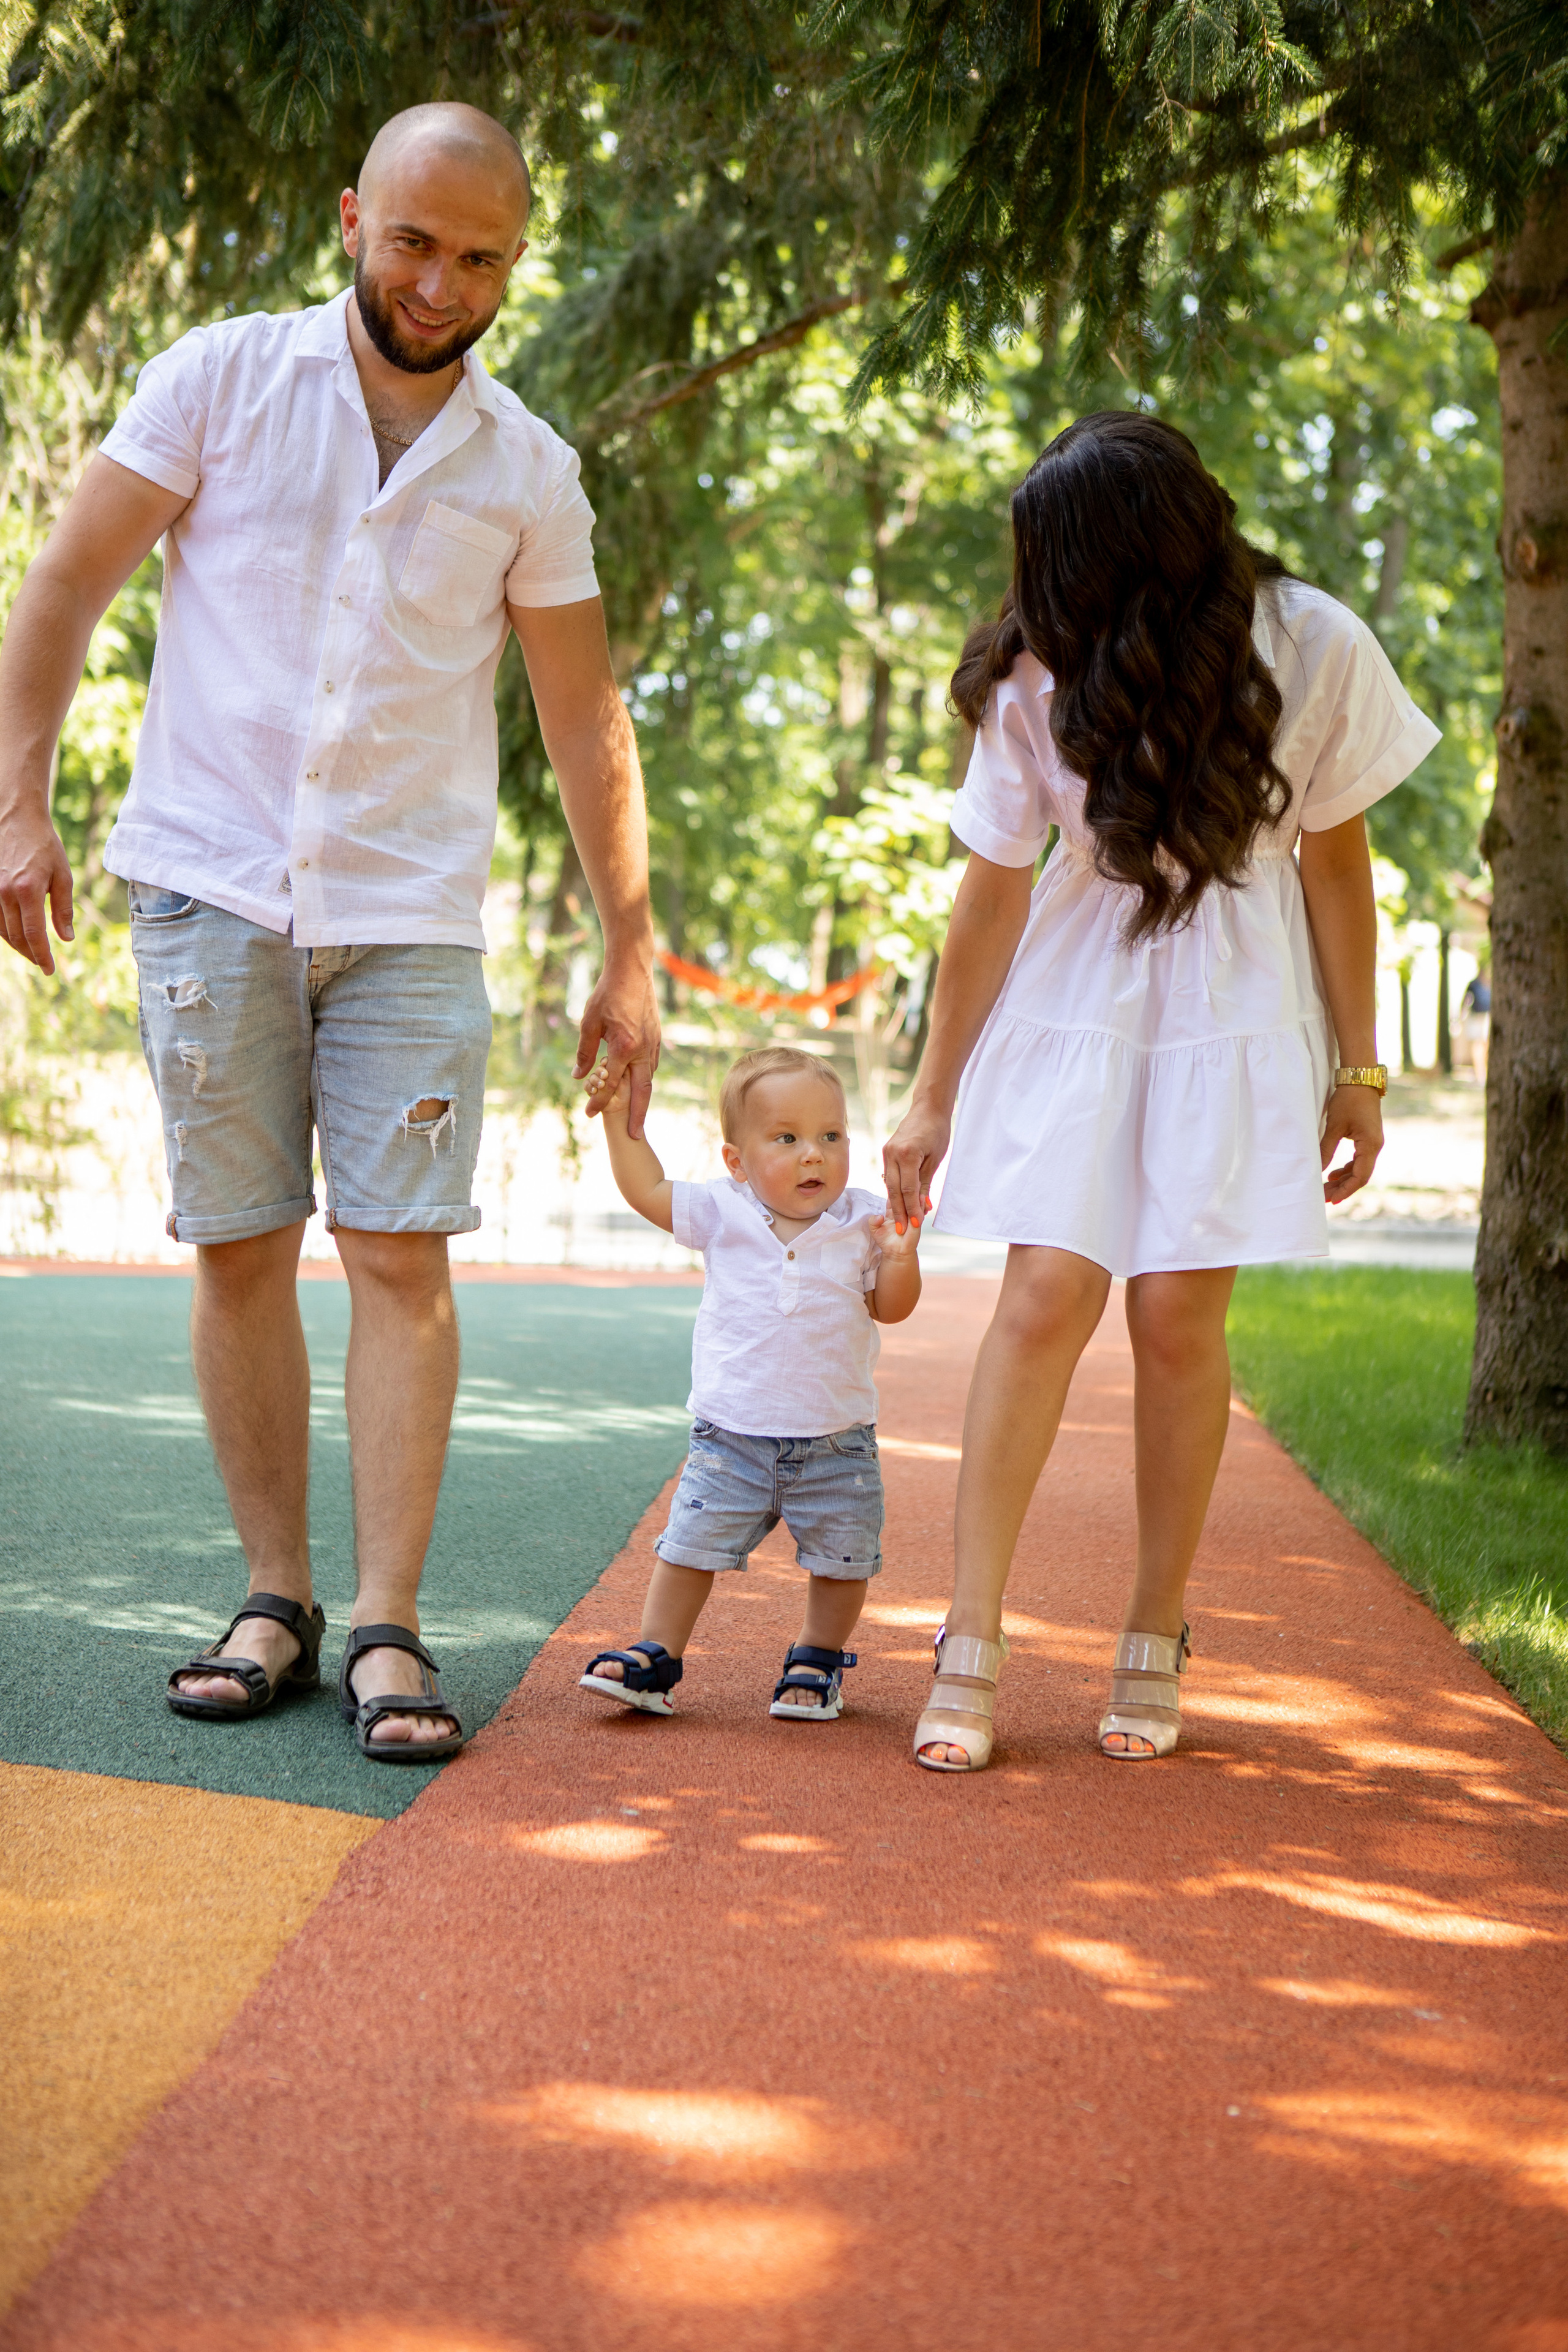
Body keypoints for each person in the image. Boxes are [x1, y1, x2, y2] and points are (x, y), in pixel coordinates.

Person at [0, 104, 659, 1759]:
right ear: (356, 216)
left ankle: (387, 1626)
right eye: (413, 242)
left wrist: (630, 941)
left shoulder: (527, 471)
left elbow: (588, 724)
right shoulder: (218, 379)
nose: (438, 283)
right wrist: (16, 809)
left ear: (519, 261)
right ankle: (275, 1595)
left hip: (409, 912)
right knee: (237, 1245)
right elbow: (66, 584)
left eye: (479, 258)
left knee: (398, 1256)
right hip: (207, 882)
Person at [883, 412, 1440, 1773]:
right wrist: (928, 1094)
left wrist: (1359, 1070)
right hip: (1075, 1012)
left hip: (1233, 1017)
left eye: (1056, 568)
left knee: (1178, 1320)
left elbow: (1333, 872)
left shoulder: (1311, 641)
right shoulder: (1032, 672)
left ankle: (1155, 1625)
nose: (1034, 599)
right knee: (1042, 1297)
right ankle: (967, 1636)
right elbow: (987, 896)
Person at [578, 1045, 921, 1720]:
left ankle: (816, 1657)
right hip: (730, 1435)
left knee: (841, 1560)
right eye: (786, 1139)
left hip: (836, 1442)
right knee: (688, 1548)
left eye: (830, 1136)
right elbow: (647, 1189)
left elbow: (892, 1307)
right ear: (737, 1160)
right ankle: (656, 1654)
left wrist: (900, 1257)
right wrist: (621, 1118)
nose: (813, 1154)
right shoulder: (721, 1210)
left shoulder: (863, 1221)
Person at [1458, 967, 1490, 1084]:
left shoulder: (1489, 983)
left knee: (1485, 1044)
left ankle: (1484, 1070)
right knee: (1477, 1044)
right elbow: (1466, 999)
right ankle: (1479, 1072)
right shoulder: (1474, 984)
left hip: (1486, 1016)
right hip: (1476, 1016)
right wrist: (1461, 1015)